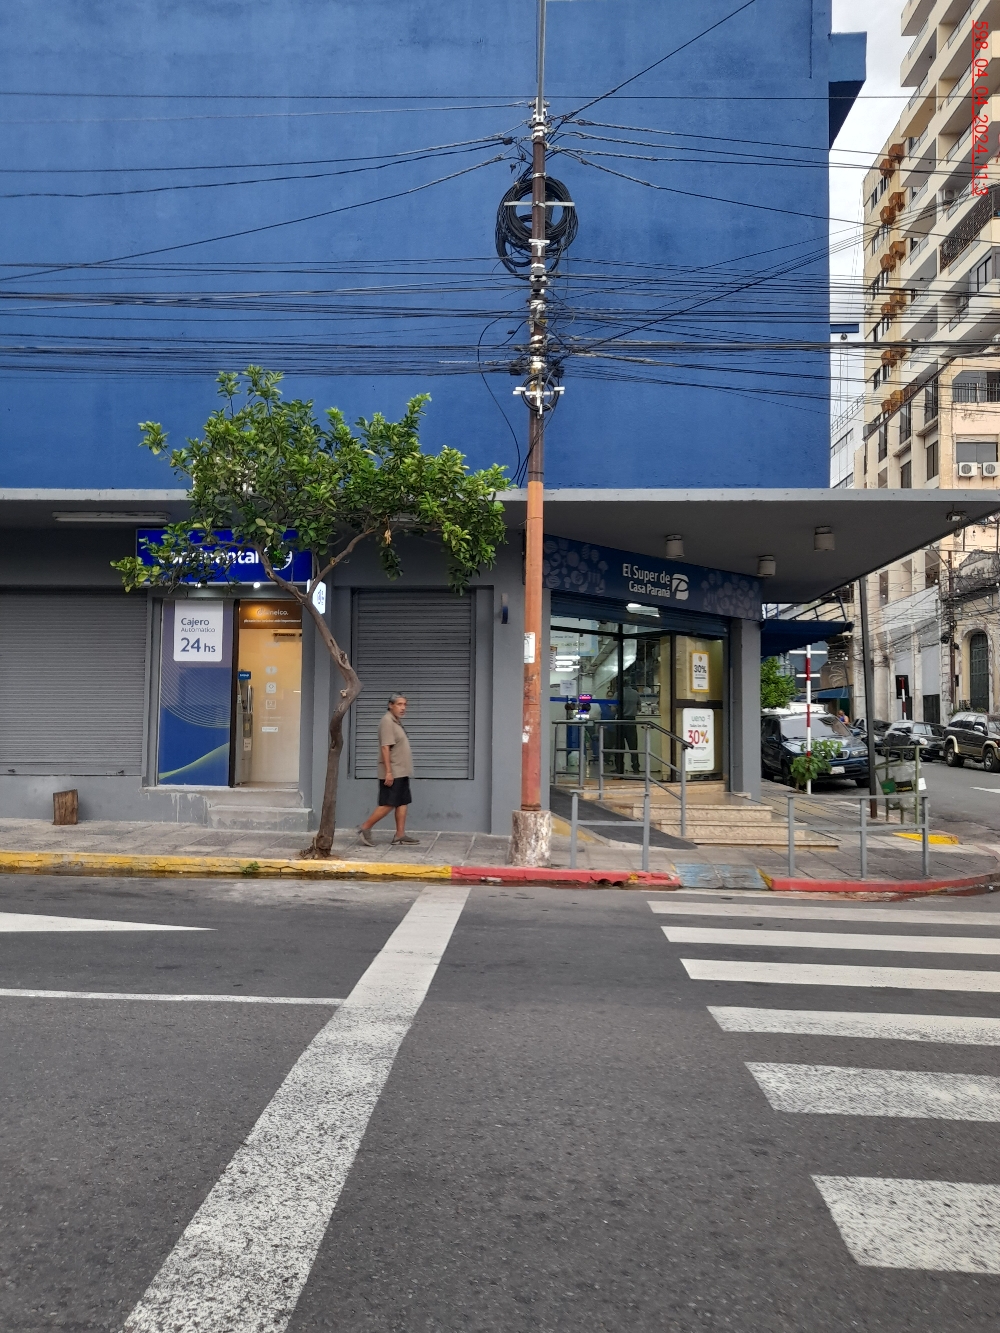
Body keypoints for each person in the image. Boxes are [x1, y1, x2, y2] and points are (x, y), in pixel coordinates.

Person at [359, 693, 418, 846]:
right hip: (393, 771)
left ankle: (400, 835)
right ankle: (365, 828)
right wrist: (389, 772)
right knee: (389, 803)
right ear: (390, 705)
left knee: (402, 801)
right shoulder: (387, 721)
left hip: (401, 770)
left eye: (405, 704)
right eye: (399, 704)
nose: (403, 708)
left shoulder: (395, 721)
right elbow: (385, 747)